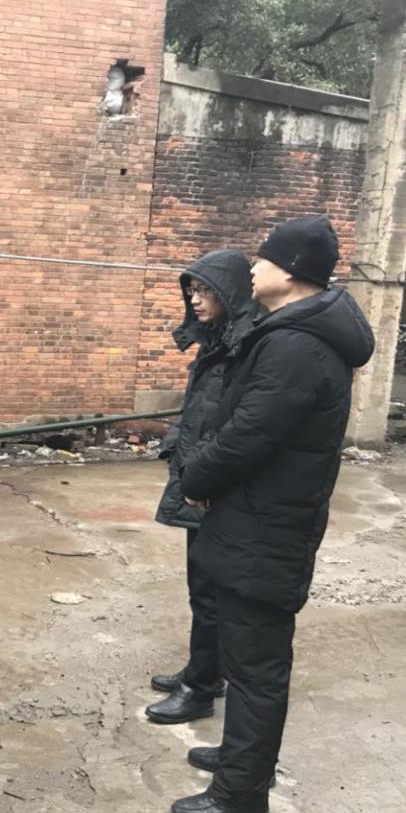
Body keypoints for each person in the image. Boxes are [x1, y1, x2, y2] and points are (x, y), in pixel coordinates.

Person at [171, 215, 375, 813]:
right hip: (257, 520)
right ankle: (242, 757)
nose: (253, 268)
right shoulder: (292, 334)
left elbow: (247, 436)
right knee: (244, 658)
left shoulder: (296, 346)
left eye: (262, 259)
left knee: (257, 667)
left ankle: (242, 793)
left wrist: (195, 479)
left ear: (290, 272)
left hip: (267, 528)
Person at [147, 250, 258, 725]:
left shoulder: (243, 346)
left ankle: (201, 687)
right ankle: (204, 669)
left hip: (216, 487)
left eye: (205, 290)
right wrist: (176, 445)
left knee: (212, 589)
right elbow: (198, 409)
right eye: (191, 290)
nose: (195, 299)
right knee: (201, 585)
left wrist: (204, 475)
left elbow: (235, 426)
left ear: (230, 293)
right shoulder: (214, 343)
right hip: (198, 478)